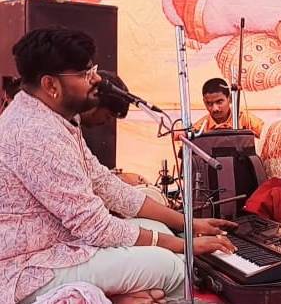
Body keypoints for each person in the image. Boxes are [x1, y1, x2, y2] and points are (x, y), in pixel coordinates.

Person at [0, 28, 237, 304]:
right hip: (31, 268)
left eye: (93, 70)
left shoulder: (54, 118)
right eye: (85, 74)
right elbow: (96, 227)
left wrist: (188, 223)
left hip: (61, 248)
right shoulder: (36, 133)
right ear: (51, 85)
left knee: (159, 231)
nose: (97, 80)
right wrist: (184, 245)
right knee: (172, 268)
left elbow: (107, 185)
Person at [191, 78, 264, 138]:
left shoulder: (245, 118)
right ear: (204, 102)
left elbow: (266, 134)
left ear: (230, 99)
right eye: (209, 104)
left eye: (219, 102)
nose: (215, 109)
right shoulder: (198, 128)